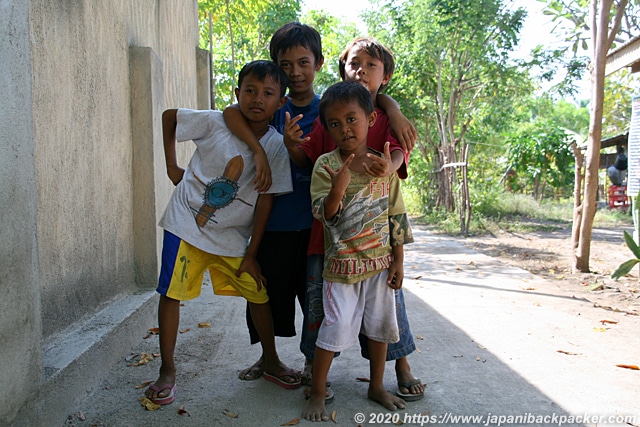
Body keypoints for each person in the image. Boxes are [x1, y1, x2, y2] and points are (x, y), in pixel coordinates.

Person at [222, 23, 417, 385]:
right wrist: (268, 151)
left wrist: (392, 109)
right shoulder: (278, 103)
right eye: (286, 64)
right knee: (281, 295)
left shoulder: (340, 107)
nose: (295, 71)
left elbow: (373, 112)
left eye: (303, 62)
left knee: (360, 304)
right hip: (286, 218)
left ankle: (388, 366)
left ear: (319, 63)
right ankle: (274, 360)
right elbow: (234, 115)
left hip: (340, 233)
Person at [144, 60, 301, 406]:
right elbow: (170, 117)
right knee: (171, 293)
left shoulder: (276, 146)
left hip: (231, 237)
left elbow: (265, 203)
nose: (257, 99)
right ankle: (167, 370)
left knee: (258, 293)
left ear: (281, 102)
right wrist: (172, 165)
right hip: (186, 223)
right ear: (237, 93)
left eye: (268, 93)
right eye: (250, 91)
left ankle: (271, 360)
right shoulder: (217, 122)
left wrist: (251, 253)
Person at [290, 36, 425, 403]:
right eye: (336, 123)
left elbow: (396, 211)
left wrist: (399, 259)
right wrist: (338, 187)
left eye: (353, 120)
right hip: (338, 261)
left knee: (385, 323)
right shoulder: (327, 160)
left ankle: (381, 382)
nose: (345, 128)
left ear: (370, 119)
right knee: (328, 321)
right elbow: (324, 208)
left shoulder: (384, 135)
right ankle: (317, 385)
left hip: (379, 261)